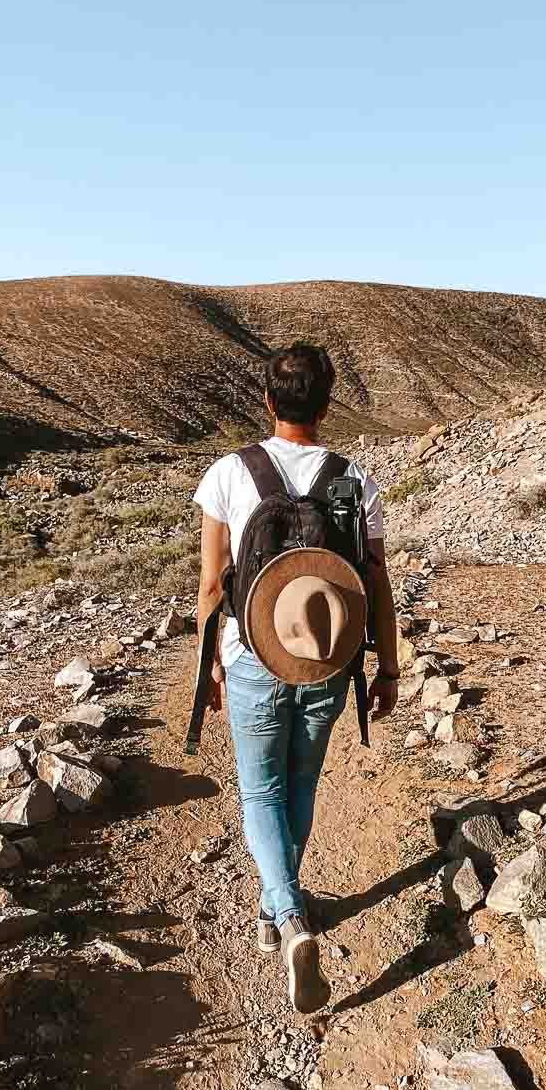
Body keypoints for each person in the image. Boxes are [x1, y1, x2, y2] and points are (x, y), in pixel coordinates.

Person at [193, 342, 400, 1013]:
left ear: (267, 400)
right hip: (329, 656)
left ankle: (286, 917)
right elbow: (375, 579)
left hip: (253, 651)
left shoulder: (229, 472)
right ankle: (278, 904)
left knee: (261, 791)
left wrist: (213, 661)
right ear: (327, 401)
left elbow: (208, 583)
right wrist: (388, 662)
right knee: (301, 783)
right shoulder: (352, 477)